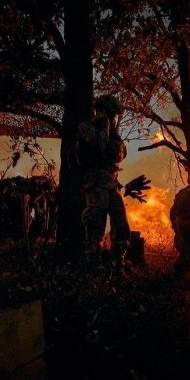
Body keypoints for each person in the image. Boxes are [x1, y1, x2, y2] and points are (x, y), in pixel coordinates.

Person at [76, 94, 131, 277]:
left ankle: (117, 265)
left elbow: (117, 158)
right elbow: (99, 144)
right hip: (95, 183)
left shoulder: (111, 131)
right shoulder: (88, 127)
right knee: (95, 228)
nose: (113, 118)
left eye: (113, 115)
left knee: (122, 227)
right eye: (111, 114)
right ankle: (94, 269)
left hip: (111, 183)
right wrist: (104, 123)